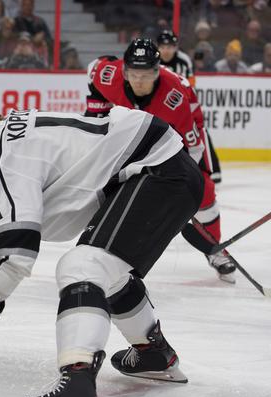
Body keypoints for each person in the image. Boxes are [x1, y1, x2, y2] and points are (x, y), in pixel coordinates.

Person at [0, 97, 203, 397]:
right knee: (104, 267)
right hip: (165, 166)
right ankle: (153, 354)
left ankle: (75, 393)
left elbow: (16, 252)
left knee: (82, 266)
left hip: (155, 171)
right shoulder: (9, 132)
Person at [85, 38, 236, 283]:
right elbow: (94, 69)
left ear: (157, 72)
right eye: (134, 74)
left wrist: (186, 189)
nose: (139, 81)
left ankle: (216, 250)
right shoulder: (109, 76)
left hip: (183, 124)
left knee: (204, 188)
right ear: (124, 71)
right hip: (137, 123)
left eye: (146, 75)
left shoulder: (174, 98)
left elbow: (193, 147)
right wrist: (96, 113)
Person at [157, 29, 223, 183]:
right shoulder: (153, 61)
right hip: (160, 106)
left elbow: (190, 87)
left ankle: (213, 170)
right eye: (163, 47)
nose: (166, 50)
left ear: (176, 47)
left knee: (200, 131)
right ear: (158, 47)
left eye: (170, 47)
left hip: (183, 104)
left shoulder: (184, 61)